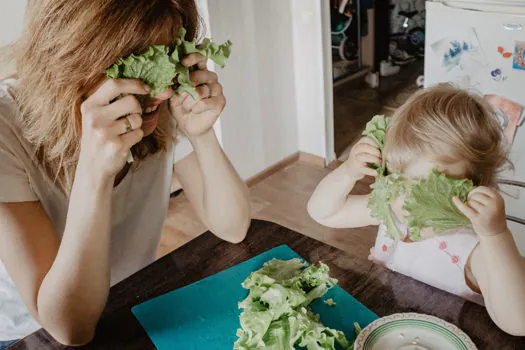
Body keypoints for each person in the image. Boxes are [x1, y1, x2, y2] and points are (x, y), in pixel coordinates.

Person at [0, 0, 251, 347]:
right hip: (30, 331)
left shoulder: (159, 110)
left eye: (166, 55)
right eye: (134, 61)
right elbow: (69, 327)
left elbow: (234, 227)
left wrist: (202, 135)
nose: (162, 91)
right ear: (69, 59)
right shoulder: (4, 129)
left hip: (131, 300)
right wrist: (95, 173)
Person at [308, 84, 525, 336]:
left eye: (429, 192)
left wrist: (496, 236)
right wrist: (348, 172)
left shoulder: (472, 248)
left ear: (473, 189)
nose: (409, 204)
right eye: (400, 182)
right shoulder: (392, 212)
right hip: (388, 331)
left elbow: (518, 322)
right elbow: (323, 212)